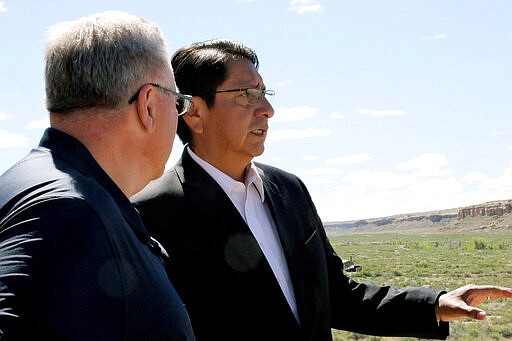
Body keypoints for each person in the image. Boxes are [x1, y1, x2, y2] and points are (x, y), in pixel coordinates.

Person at [131, 38, 512, 341]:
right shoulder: (152, 214)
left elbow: (337, 296)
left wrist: (434, 304)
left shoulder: (289, 190)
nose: (267, 109)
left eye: (266, 94)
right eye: (246, 94)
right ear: (194, 112)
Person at [0, 11, 195, 340]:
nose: (179, 116)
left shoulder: (36, 184)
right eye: (177, 102)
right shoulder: (70, 212)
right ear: (148, 106)